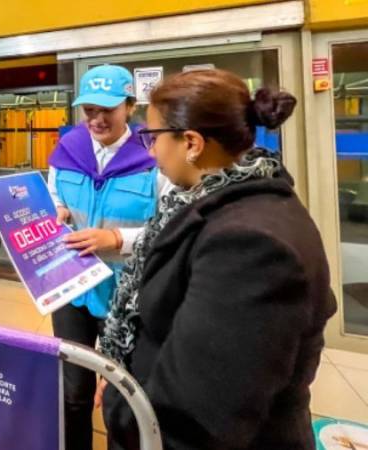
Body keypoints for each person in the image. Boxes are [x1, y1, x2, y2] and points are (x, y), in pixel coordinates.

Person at [100, 69, 336, 449]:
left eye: (153, 137)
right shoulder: (214, 201)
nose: (150, 151)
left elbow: (193, 417)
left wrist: (118, 402)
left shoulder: (250, 246)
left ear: (191, 143)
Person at [46, 64, 171, 450]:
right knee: (74, 391)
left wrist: (117, 239)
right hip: (72, 289)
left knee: (122, 395)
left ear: (130, 107)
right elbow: (54, 197)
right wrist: (58, 211)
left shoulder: (154, 157)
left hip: (126, 293)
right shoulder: (67, 150)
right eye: (89, 111)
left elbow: (169, 227)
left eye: (107, 110)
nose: (97, 119)